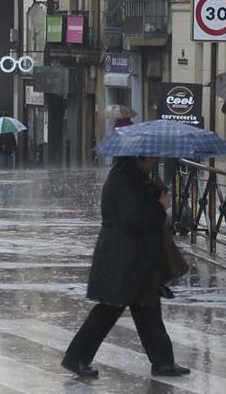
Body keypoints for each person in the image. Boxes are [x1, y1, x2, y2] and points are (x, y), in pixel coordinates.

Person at [62, 156, 190, 378]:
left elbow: (136, 210)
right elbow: (132, 218)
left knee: (147, 308)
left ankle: (163, 362)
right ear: (139, 157)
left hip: (132, 258)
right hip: (124, 258)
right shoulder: (125, 180)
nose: (153, 161)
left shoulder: (131, 177)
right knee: (110, 309)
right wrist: (159, 206)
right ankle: (76, 358)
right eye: (150, 157)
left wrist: (155, 192)